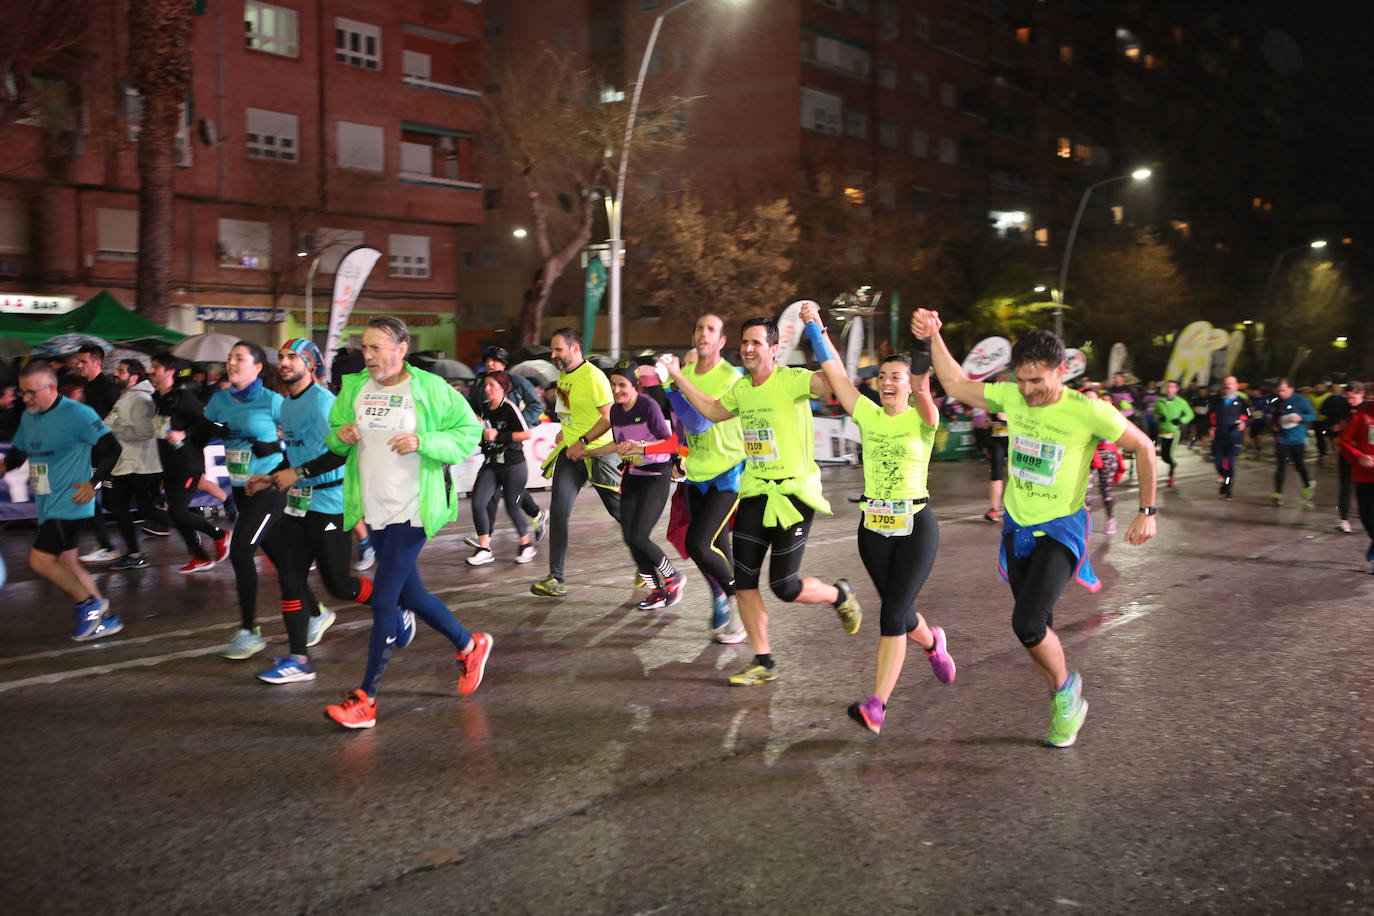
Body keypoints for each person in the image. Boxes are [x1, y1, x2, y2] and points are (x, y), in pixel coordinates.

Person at [913, 310, 1158, 748]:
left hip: (1062, 530)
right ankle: (1064, 695)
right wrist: (934, 335)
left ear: (1060, 370)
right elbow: (952, 385)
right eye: (1020, 380)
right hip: (1018, 531)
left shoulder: (1088, 411)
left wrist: (1147, 510)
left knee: (1026, 622)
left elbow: (1143, 446)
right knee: (1034, 627)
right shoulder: (1010, 397)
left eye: (1036, 380)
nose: (1026, 390)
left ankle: (1065, 693)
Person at [661, 316, 862, 687]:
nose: (749, 348)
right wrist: (678, 376)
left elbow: (835, 379)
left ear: (774, 349)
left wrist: (817, 332)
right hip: (754, 491)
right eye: (745, 342)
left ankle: (838, 594)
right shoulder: (741, 390)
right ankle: (763, 660)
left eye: (757, 342)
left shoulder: (793, 380)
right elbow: (709, 410)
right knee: (746, 581)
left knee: (784, 586)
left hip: (793, 495)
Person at [322, 316, 491, 729]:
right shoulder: (355, 388)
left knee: (384, 600)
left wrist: (424, 441)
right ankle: (470, 645)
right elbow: (333, 434)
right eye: (365, 347)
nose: (368, 355)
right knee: (411, 594)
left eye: (376, 347)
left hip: (415, 508)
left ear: (401, 349)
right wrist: (339, 437)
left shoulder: (429, 389)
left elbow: (470, 431)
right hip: (375, 509)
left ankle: (366, 699)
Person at [802, 304, 954, 734]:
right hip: (873, 531)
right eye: (883, 376)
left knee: (891, 613)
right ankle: (932, 643)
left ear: (908, 385)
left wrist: (925, 341)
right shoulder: (867, 414)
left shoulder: (924, 419)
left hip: (916, 528)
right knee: (901, 614)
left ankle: (877, 705)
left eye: (896, 377)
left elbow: (926, 390)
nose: (887, 382)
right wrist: (816, 329)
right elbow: (834, 375)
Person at [244, 339, 384, 684]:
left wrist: (297, 474)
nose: (285, 362)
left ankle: (392, 605)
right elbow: (297, 455)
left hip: (330, 505)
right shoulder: (288, 404)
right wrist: (270, 477)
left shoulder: (324, 405)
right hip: (298, 505)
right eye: (281, 357)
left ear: (311, 363)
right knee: (289, 578)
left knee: (339, 585)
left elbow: (341, 453)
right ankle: (298, 659)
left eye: (293, 357)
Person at [3, 361, 124, 640]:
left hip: (70, 500)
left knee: (41, 560)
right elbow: (18, 454)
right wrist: (2, 467)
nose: (27, 398)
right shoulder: (29, 416)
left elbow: (112, 449)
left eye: (32, 392)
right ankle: (107, 618)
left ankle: (90, 607)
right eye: (23, 393)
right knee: (68, 564)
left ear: (52, 388)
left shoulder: (79, 414)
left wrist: (94, 484)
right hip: (46, 501)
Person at [197, 342, 292, 658]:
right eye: (229, 358)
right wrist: (207, 428)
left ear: (258, 367)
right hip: (241, 487)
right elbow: (202, 431)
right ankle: (316, 611)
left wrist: (277, 446)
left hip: (270, 486)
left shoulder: (273, 401)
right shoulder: (220, 399)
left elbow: (302, 440)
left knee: (240, 552)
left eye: (240, 358)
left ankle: (250, 631)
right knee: (279, 554)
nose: (232, 363)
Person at [662, 313, 747, 643]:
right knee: (712, 546)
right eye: (698, 327)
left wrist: (673, 383)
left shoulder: (731, 376)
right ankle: (723, 596)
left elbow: (700, 422)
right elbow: (682, 429)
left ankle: (739, 600)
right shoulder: (684, 374)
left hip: (728, 473)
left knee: (700, 541)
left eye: (711, 329)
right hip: (695, 473)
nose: (703, 333)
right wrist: (677, 459)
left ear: (722, 341)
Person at [530, 328, 624, 598]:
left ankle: (649, 565)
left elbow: (609, 417)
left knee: (620, 514)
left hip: (598, 454)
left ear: (575, 349)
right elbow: (569, 410)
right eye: (553, 349)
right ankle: (555, 578)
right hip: (571, 454)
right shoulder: (563, 375)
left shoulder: (594, 377)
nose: (553, 354)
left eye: (558, 349)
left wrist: (583, 441)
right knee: (559, 511)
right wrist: (565, 429)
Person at [584, 366, 682, 610]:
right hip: (632, 477)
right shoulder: (615, 412)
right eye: (613, 385)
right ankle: (656, 591)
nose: (617, 390)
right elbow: (618, 445)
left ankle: (673, 578)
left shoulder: (648, 407)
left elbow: (669, 443)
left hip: (655, 477)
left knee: (639, 536)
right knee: (630, 538)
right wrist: (586, 452)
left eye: (622, 386)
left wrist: (642, 446)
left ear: (634, 386)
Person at [149, 352, 231, 572]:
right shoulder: (160, 399)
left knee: (179, 513)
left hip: (187, 464)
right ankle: (200, 556)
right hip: (169, 464)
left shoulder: (183, 398)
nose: (151, 371)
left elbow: (209, 425)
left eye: (155, 367)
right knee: (177, 513)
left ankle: (220, 535)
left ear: (169, 372)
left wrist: (184, 434)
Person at [464, 346, 546, 550]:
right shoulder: (480, 383)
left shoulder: (518, 382)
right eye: (488, 360)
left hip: (511, 443)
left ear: (504, 364)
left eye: (496, 360)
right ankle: (534, 515)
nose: (491, 364)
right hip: (491, 445)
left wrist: (516, 425)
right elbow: (473, 407)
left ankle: (488, 539)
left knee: (503, 490)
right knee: (505, 488)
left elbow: (536, 406)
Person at [103, 359, 173, 569]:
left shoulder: (141, 399)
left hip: (142, 466)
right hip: (127, 464)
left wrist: (112, 432)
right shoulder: (126, 398)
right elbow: (112, 422)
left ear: (133, 377)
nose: (116, 374)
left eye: (121, 371)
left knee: (145, 510)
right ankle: (134, 553)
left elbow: (145, 432)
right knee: (123, 508)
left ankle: (190, 525)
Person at [467, 370, 536, 566]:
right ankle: (484, 548)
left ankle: (526, 546)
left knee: (512, 506)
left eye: (491, 385)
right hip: (492, 463)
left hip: (513, 465)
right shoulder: (484, 407)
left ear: (503, 388)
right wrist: (482, 440)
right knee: (478, 502)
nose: (487, 389)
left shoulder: (510, 408)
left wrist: (498, 436)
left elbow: (526, 434)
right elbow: (483, 433)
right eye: (485, 385)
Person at [1336, 389, 1374, 572]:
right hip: (1365, 476)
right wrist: (1359, 456)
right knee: (1366, 518)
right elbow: (1344, 441)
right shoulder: (1362, 416)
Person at [1269, 377, 1317, 505]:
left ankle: (1307, 484)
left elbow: (1313, 415)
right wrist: (1274, 425)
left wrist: (1300, 417)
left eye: (1283, 390)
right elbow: (1273, 416)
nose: (1281, 393)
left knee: (1299, 465)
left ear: (1291, 389)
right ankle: (1278, 494)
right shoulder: (1276, 401)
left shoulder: (1301, 400)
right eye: (1279, 391)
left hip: (1297, 439)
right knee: (1281, 467)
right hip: (1282, 439)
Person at [1327, 383, 1363, 532]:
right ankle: (1344, 520)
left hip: (1365, 455)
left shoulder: (1368, 409)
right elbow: (1339, 425)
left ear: (1361, 393)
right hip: (1347, 453)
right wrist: (1338, 432)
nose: (1350, 400)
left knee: (1365, 489)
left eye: (1353, 397)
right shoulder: (1344, 408)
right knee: (1345, 487)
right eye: (1348, 397)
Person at [1208, 376, 1251, 500]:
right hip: (1219, 437)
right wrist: (1211, 427)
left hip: (1234, 437)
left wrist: (1244, 423)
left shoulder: (1242, 401)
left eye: (1231, 384)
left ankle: (1227, 487)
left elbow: (1251, 417)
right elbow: (1210, 415)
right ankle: (1226, 481)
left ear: (1236, 385)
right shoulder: (1216, 400)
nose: (1228, 386)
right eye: (1226, 384)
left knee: (1230, 464)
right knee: (1218, 464)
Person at [1152, 380, 1194, 488]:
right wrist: (1159, 418)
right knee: (1164, 456)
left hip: (1175, 432)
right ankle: (1173, 464)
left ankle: (1171, 477)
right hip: (1163, 432)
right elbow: (1155, 414)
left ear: (1176, 389)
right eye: (1168, 387)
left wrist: (1181, 420)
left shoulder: (1181, 402)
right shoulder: (1160, 401)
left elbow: (1190, 414)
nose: (1170, 389)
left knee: (1170, 454)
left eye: (1172, 387)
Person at [984, 379, 1009, 522]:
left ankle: (1015, 510)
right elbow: (989, 422)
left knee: (1016, 475)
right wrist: (988, 423)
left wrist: (1008, 418)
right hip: (997, 440)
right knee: (996, 474)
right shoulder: (991, 403)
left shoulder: (1017, 400)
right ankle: (994, 509)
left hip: (1013, 441)